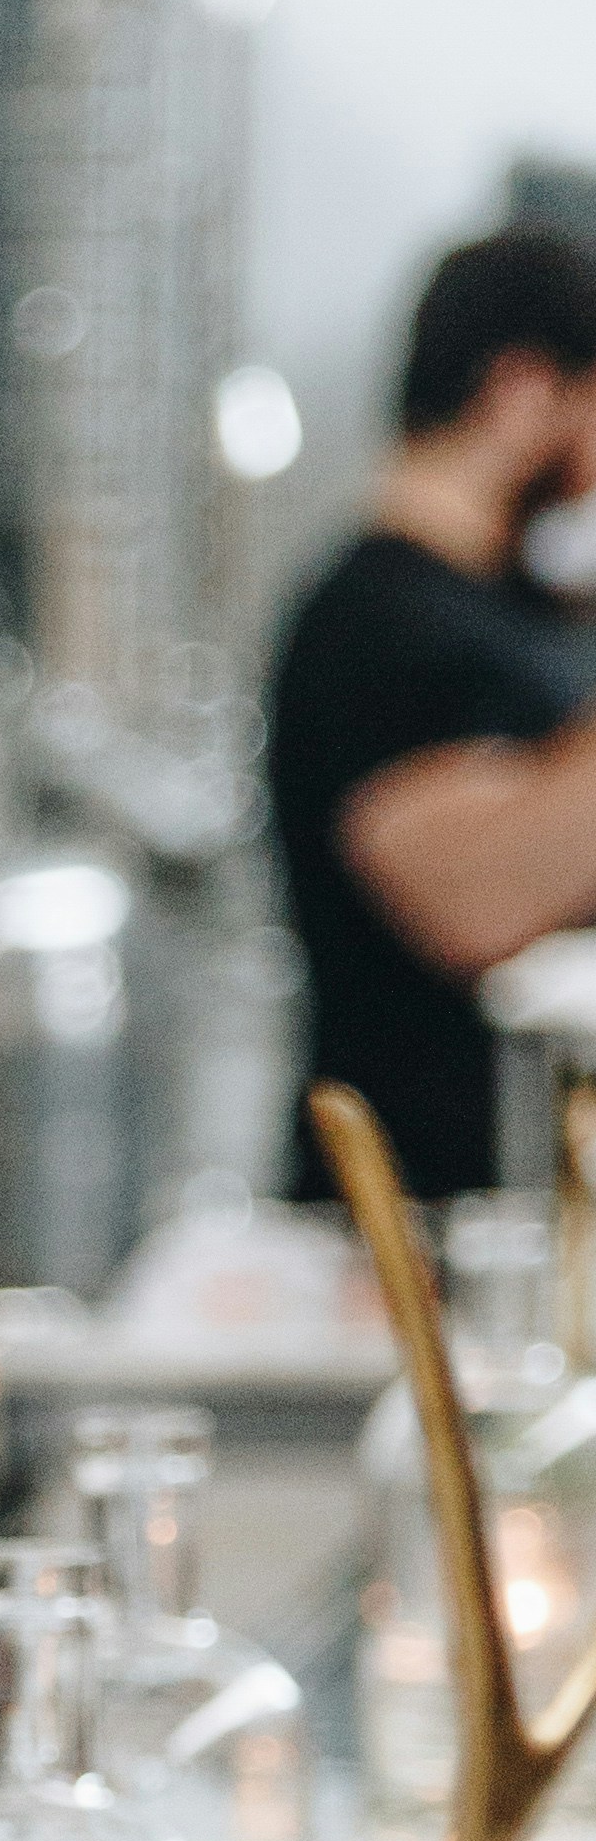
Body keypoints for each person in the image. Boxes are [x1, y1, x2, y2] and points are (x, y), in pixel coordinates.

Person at [268, 222, 596, 1204]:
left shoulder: (510, 608)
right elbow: (477, 903)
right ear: (524, 392)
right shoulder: (376, 626)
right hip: (423, 1232)